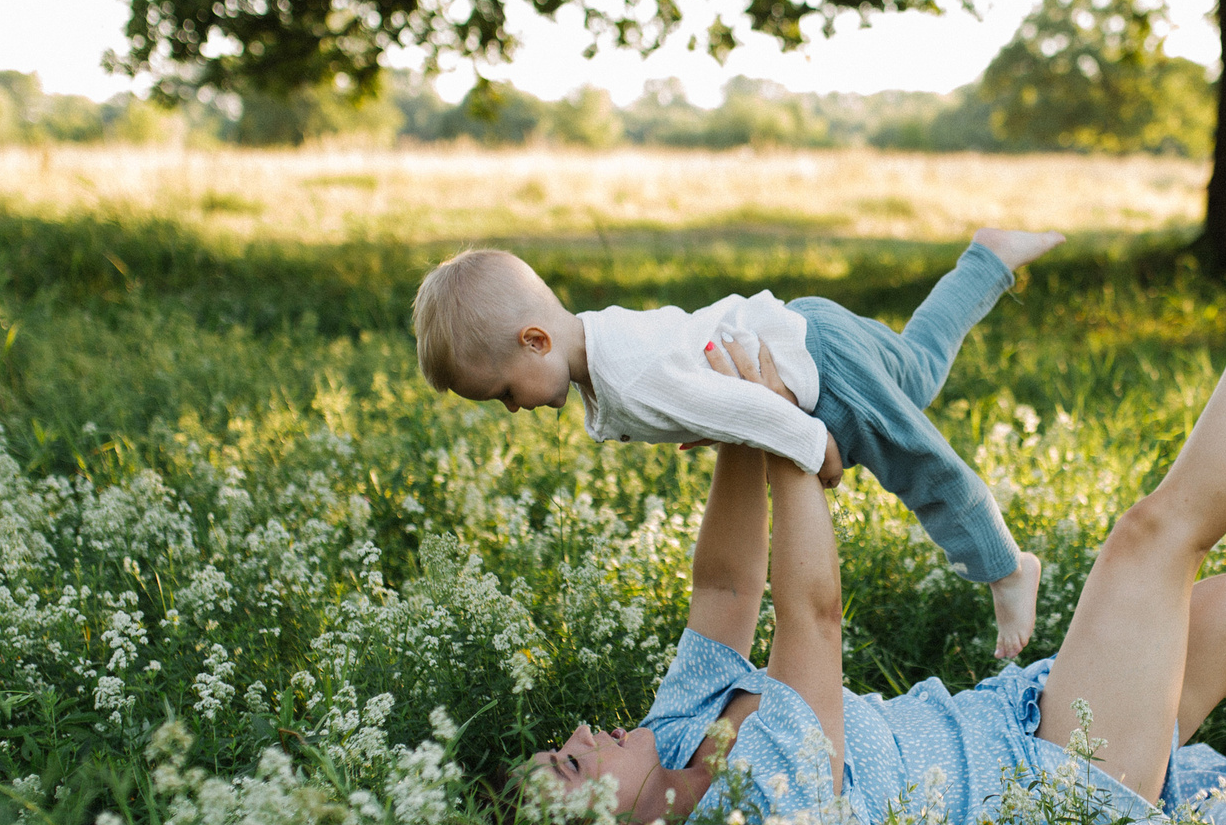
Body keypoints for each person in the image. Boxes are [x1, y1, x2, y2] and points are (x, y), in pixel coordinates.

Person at [529, 146, 1226, 825]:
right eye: (574, 763)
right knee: (1152, 540)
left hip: (1019, 720)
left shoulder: (674, 728)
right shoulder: (756, 819)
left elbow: (725, 591)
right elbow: (810, 618)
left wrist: (737, 414)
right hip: (1061, 788)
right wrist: (788, 439)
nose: (579, 734)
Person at [414, 230, 1064, 658]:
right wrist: (708, 418)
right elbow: (689, 355)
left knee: (923, 466)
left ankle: (1006, 568)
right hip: (805, 325)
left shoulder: (630, 376)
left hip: (822, 372)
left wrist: (821, 451)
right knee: (918, 369)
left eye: (503, 391)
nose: (513, 407)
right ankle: (988, 258)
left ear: (535, 340)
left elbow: (756, 407)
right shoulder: (602, 344)